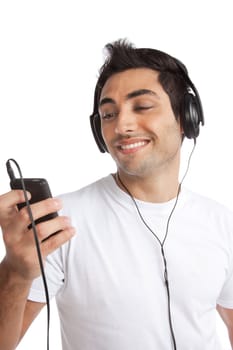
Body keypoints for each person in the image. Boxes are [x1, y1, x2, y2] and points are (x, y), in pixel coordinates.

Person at [0, 39, 233, 350]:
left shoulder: (222, 222)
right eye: (108, 114)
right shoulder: (59, 226)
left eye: (143, 107)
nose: (121, 125)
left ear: (186, 117)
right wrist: (15, 271)